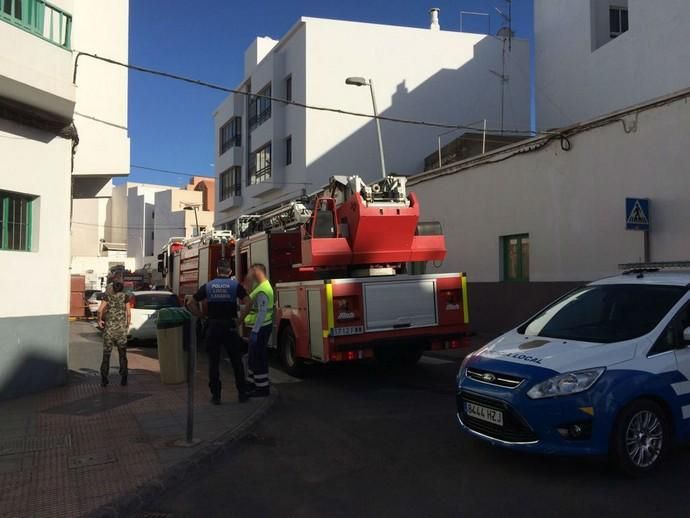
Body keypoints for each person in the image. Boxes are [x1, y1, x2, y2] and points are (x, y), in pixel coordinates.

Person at [187, 260, 252, 404]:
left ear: (217, 271)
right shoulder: (235, 286)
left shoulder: (208, 286)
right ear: (230, 272)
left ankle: (216, 396)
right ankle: (242, 393)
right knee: (236, 361)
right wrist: (240, 320)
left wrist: (201, 316)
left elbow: (190, 302)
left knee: (214, 363)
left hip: (213, 326)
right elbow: (249, 302)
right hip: (229, 326)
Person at [241, 263, 274, 397]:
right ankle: (253, 384)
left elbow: (261, 313)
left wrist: (254, 331)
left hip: (260, 328)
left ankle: (262, 388)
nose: (249, 275)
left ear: (256, 272)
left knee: (258, 358)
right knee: (254, 357)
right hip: (260, 327)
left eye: (250, 272)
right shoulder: (261, 287)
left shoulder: (263, 290)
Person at [97, 281, 131, 387]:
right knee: (122, 354)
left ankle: (104, 379)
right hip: (121, 331)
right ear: (121, 288)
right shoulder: (125, 297)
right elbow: (128, 313)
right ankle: (124, 378)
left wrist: (99, 321)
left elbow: (99, 310)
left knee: (106, 355)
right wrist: (127, 325)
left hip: (109, 330)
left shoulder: (108, 297)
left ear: (113, 288)